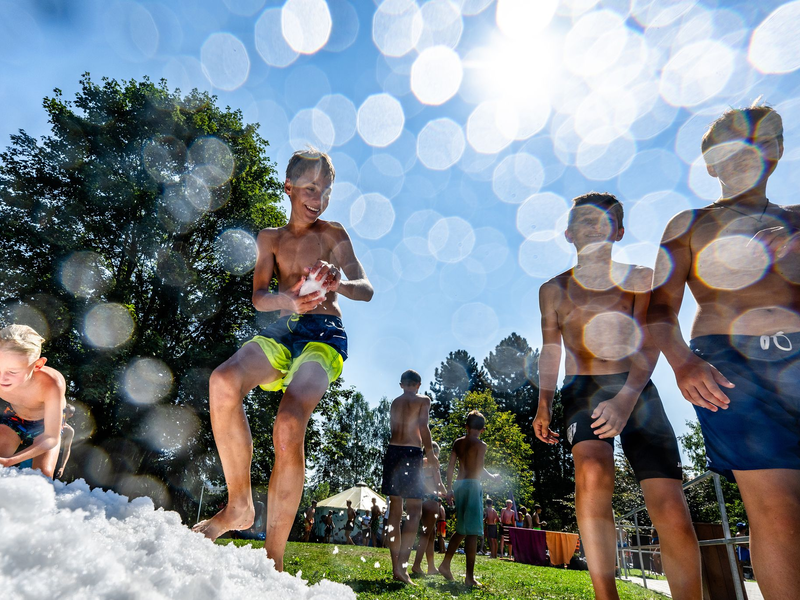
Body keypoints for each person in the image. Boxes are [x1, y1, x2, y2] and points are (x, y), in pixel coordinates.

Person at [192, 149, 373, 570]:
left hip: (323, 337)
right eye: (311, 189)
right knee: (222, 382)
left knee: (289, 423)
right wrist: (288, 299)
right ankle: (238, 506)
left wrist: (339, 283)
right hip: (282, 329)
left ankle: (272, 563)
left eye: (326, 191)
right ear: (289, 187)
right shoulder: (269, 239)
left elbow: (366, 288)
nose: (319, 198)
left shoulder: (333, 233)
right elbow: (259, 298)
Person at [647, 102, 800, 598]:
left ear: (776, 151)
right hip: (730, 366)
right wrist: (684, 362)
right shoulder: (688, 224)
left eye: (759, 140)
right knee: (776, 509)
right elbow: (657, 313)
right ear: (710, 162)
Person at [534, 192, 702, 600]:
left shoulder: (640, 278)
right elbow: (551, 349)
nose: (593, 228)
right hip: (582, 390)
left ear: (620, 231)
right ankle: (605, 596)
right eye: (584, 222)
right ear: (569, 233)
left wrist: (627, 396)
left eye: (603, 221)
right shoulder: (552, 290)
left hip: (637, 386)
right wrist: (543, 405)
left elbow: (650, 341)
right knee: (591, 471)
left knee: (668, 504)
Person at [380, 369, 438, 584]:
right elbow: (423, 425)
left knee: (395, 511)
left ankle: (396, 566)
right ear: (419, 384)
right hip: (411, 453)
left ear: (401, 384)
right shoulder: (424, 399)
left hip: (393, 452)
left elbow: (394, 428)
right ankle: (403, 568)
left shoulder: (395, 402)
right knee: (414, 510)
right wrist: (430, 454)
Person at [438, 410, 499, 587]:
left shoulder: (458, 443)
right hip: (473, 485)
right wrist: (493, 477)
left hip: (459, 485)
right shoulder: (481, 445)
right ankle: (469, 578)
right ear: (483, 429)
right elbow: (480, 469)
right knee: (472, 532)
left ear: (466, 426)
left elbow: (450, 467)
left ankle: (445, 565)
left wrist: (449, 490)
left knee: (462, 529)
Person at [0, 325, 67, 479]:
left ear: (37, 365)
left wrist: (11, 461)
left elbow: (51, 437)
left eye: (13, 372)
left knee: (42, 476)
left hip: (45, 426)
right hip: (14, 417)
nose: (2, 378)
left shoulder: (51, 384)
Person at [411, 441, 446, 576]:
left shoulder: (420, 464)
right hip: (431, 502)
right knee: (426, 535)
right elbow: (438, 483)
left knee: (431, 535)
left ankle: (431, 567)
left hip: (420, 499)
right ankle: (416, 565)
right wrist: (449, 493)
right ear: (435, 453)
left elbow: (423, 484)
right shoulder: (433, 464)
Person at [55, 403, 75, 479]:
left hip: (51, 457)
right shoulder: (50, 420)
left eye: (65, 411)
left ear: (70, 415)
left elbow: (67, 449)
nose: (62, 412)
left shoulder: (69, 430)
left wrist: (62, 467)